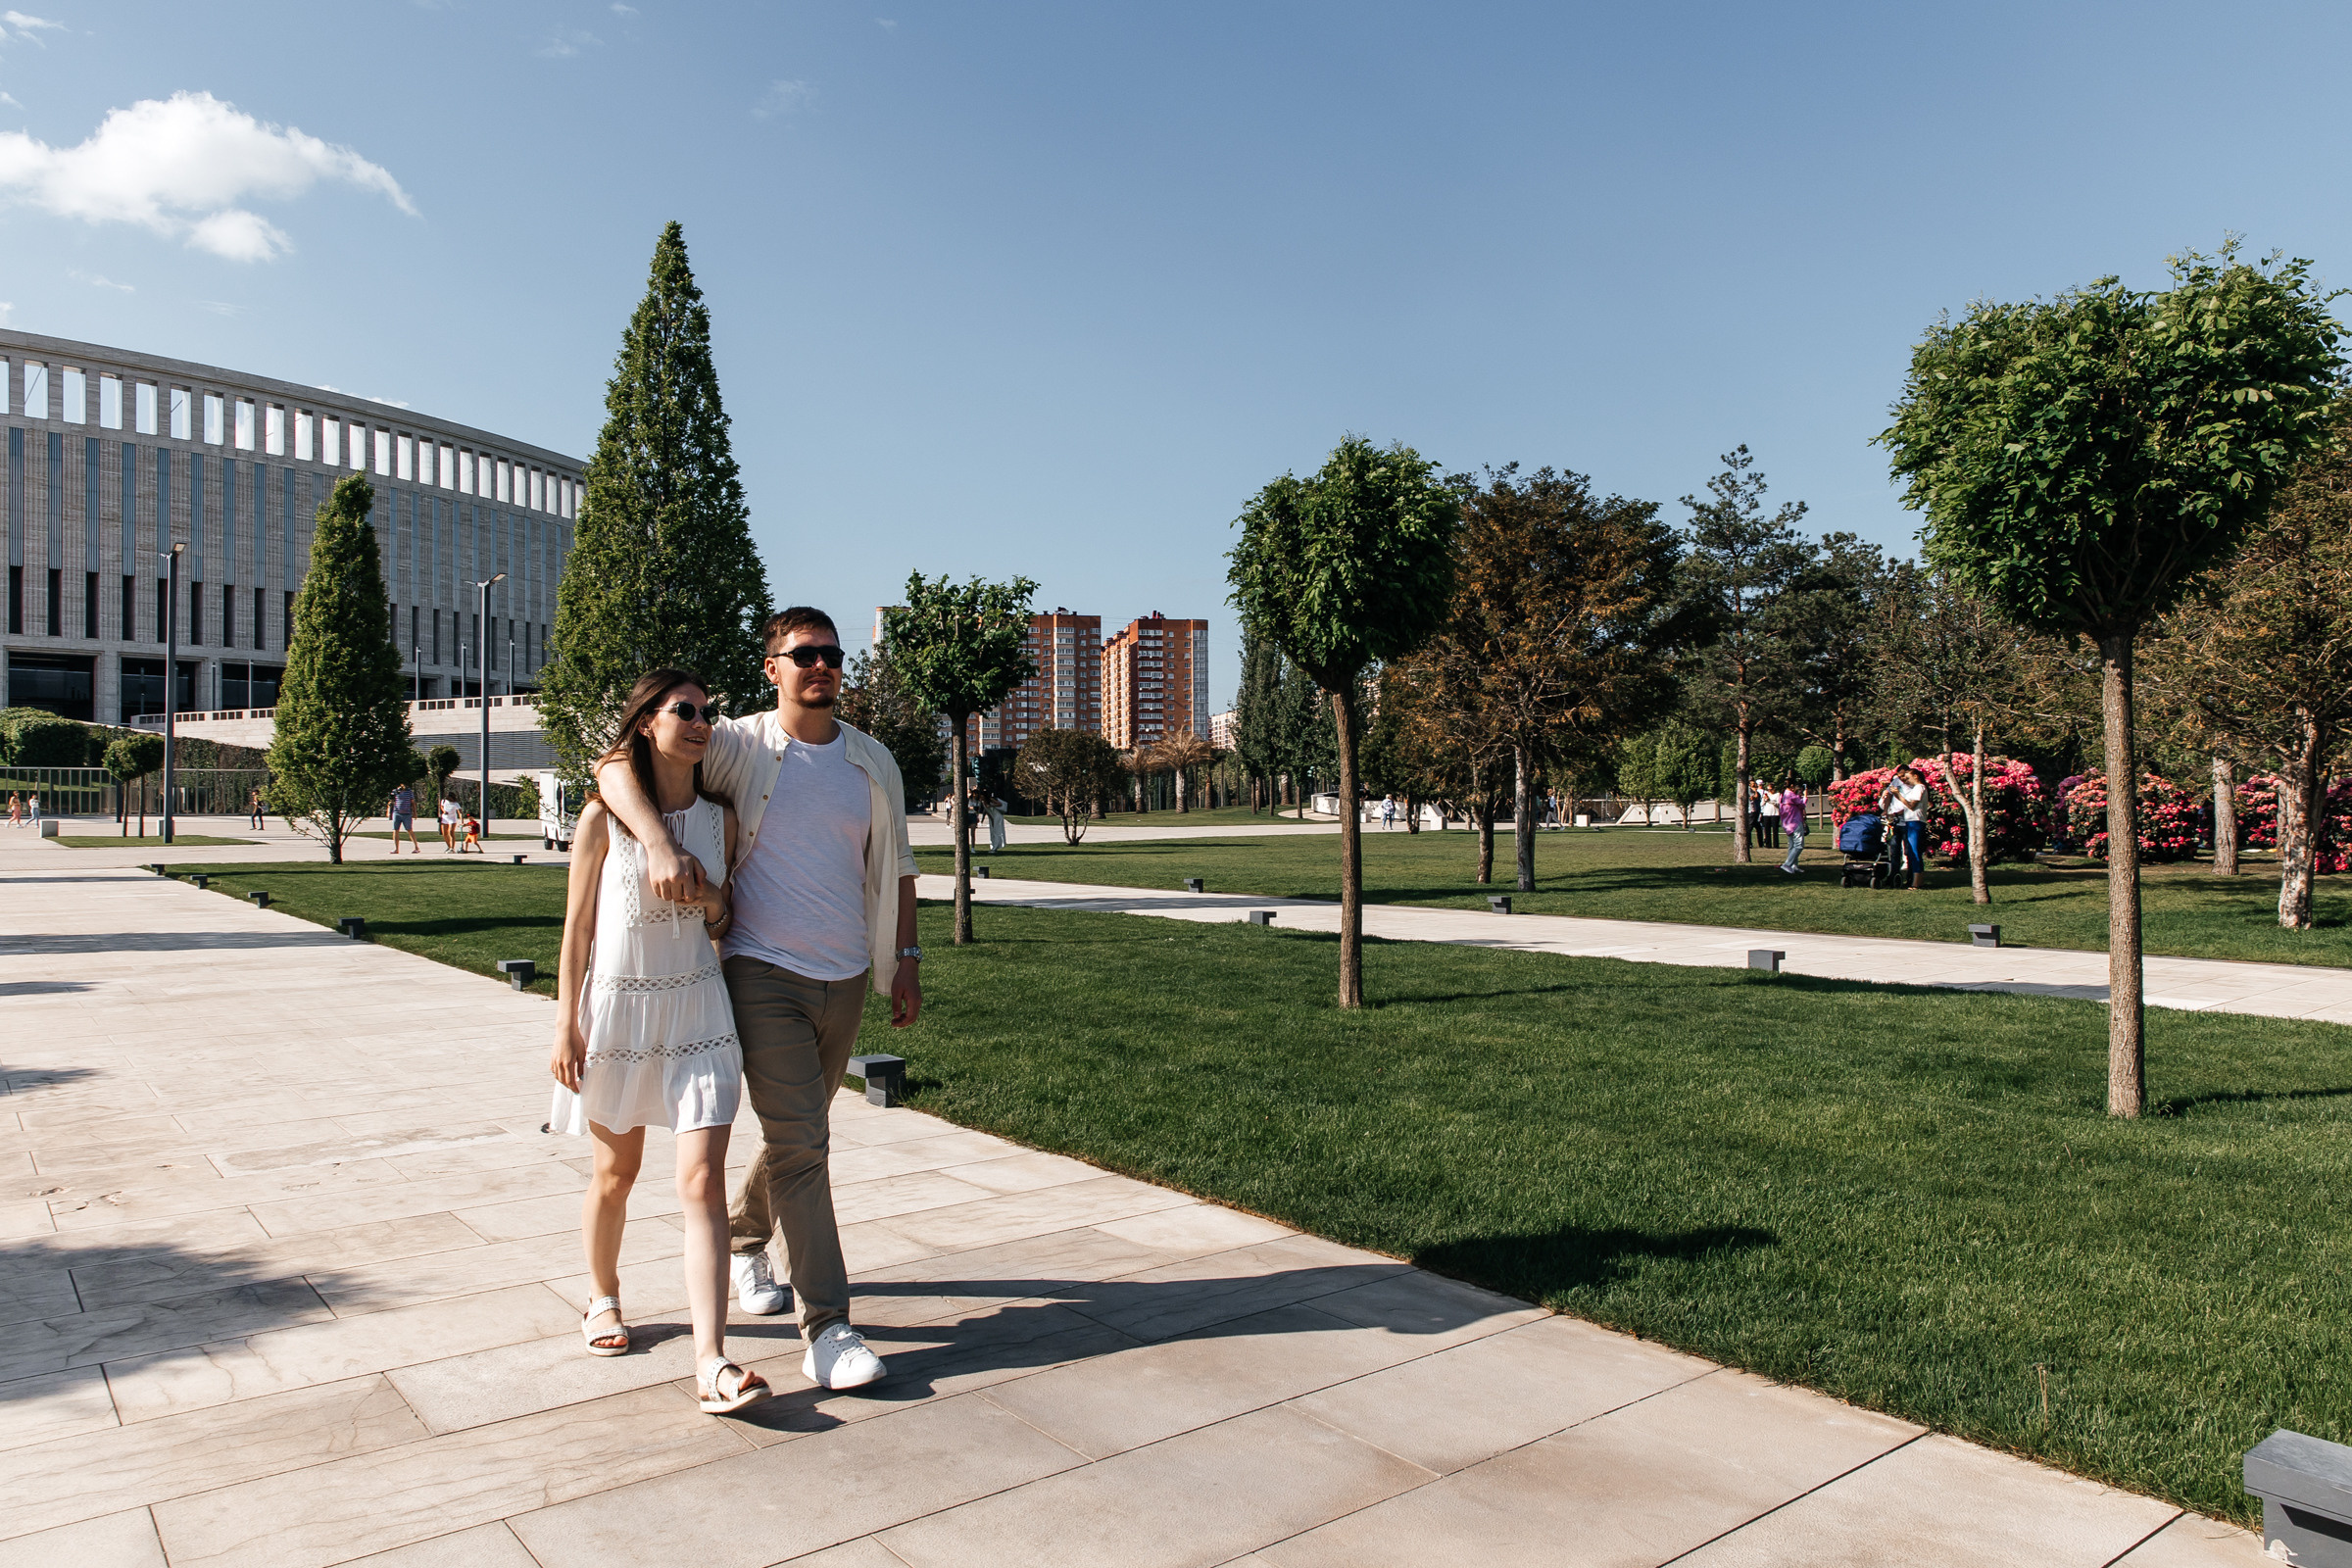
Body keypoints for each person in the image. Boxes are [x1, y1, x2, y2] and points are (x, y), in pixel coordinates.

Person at [599, 606, 918, 1394]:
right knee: (806, 1143)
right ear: (771, 667)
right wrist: (659, 841)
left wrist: (904, 958)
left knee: (800, 1134)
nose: (822, 666)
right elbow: (612, 767)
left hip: (843, 975)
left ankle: (746, 1237)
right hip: (758, 969)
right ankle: (828, 1326)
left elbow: (900, 867)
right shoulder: (738, 741)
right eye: (804, 654)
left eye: (833, 655)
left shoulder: (873, 762)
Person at [549, 668, 767, 1414]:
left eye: (709, 712)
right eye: (686, 711)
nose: (703, 722)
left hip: (699, 1014)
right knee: (617, 1173)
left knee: (703, 1182)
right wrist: (564, 1022)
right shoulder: (601, 822)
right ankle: (601, 1296)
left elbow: (724, 919)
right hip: (619, 1015)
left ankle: (712, 1363)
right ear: (647, 723)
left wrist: (710, 897)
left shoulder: (722, 817)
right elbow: (576, 930)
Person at [1886, 765, 1928, 890]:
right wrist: (1897, 795)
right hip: (1911, 821)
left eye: (1908, 778)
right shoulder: (1917, 788)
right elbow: (1907, 804)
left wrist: (1899, 794)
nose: (1906, 780)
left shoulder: (1919, 787)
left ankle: (1915, 882)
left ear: (1916, 776)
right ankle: (1917, 881)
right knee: (1913, 851)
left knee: (1914, 852)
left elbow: (1911, 805)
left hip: (1915, 821)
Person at [1778, 776, 1808, 874]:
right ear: (1791, 786)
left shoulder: (1782, 795)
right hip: (1795, 822)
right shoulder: (1791, 795)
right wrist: (1805, 797)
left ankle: (1794, 866)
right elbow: (1802, 805)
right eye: (1795, 786)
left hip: (1787, 823)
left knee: (1792, 845)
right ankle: (1787, 864)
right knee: (1799, 845)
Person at [387, 783, 420, 855]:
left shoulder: (409, 792)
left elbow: (412, 803)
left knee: (409, 830)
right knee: (395, 830)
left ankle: (416, 847)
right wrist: (389, 811)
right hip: (397, 812)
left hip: (406, 813)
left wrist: (414, 813)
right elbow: (391, 801)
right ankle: (396, 849)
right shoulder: (395, 791)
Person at [985, 791, 1006, 855]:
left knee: (997, 831)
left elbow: (1000, 804)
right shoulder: (983, 802)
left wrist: (992, 805)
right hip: (992, 817)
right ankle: (993, 846)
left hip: (997, 816)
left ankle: (996, 846)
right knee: (992, 831)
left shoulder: (991, 799)